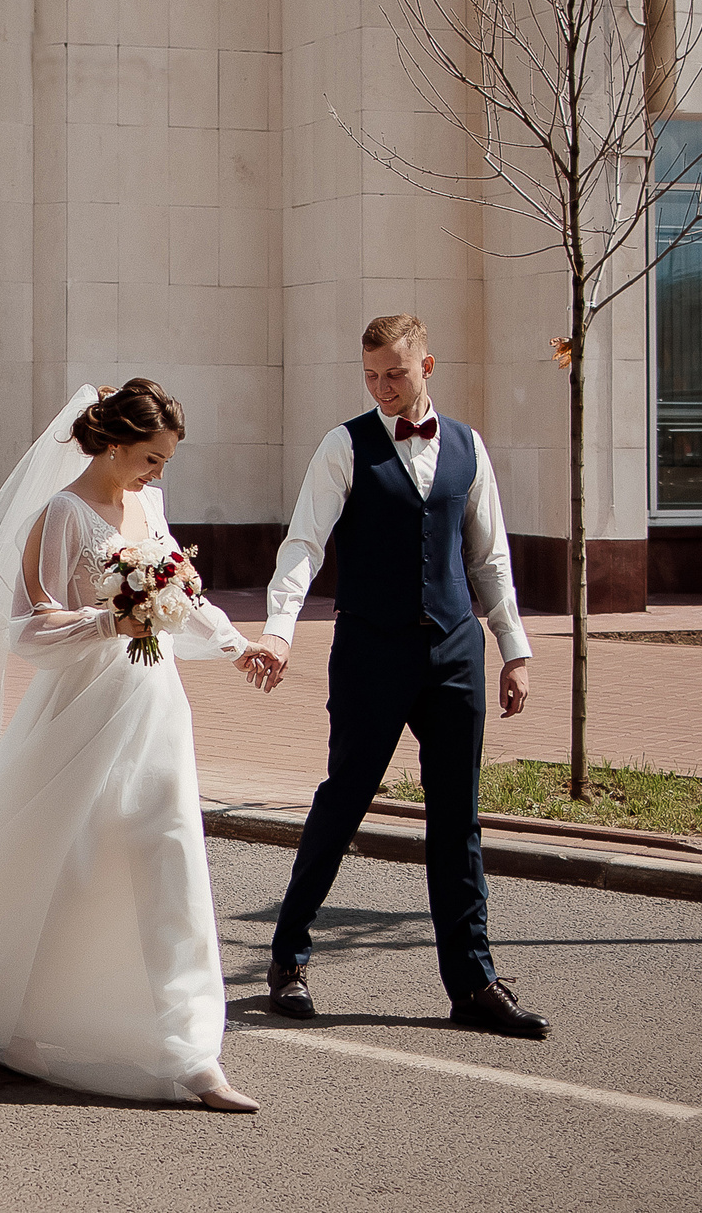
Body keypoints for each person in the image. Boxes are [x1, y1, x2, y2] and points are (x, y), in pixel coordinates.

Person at [0, 380, 264, 1111]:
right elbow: (30, 628)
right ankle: (11, 1015)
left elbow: (180, 601)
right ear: (117, 443)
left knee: (170, 853)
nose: (160, 474)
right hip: (81, 712)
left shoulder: (149, 505)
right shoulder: (59, 515)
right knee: (59, 864)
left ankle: (194, 1053)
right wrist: (108, 624)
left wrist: (237, 642)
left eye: (166, 462)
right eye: (152, 458)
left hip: (153, 709)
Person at [238, 315, 550, 1038]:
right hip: (371, 651)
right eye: (371, 374)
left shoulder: (469, 447)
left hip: (454, 652)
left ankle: (472, 981)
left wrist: (515, 649)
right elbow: (303, 544)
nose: (382, 387)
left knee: (458, 818)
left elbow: (489, 558)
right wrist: (279, 633)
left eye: (396, 373)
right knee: (344, 798)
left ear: (427, 365)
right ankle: (288, 957)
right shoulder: (342, 446)